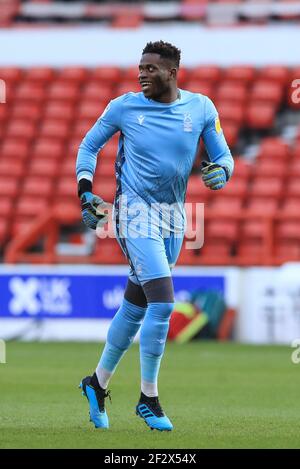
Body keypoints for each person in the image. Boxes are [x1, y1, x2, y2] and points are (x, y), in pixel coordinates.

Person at [76, 40, 234, 432]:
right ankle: (148, 398)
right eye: (140, 67)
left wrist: (223, 172)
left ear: (172, 72)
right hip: (133, 214)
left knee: (136, 306)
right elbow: (89, 145)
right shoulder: (124, 107)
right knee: (162, 304)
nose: (142, 73)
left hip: (174, 220)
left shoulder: (200, 108)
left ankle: (96, 383)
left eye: (150, 68)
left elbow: (224, 155)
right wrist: (85, 189)